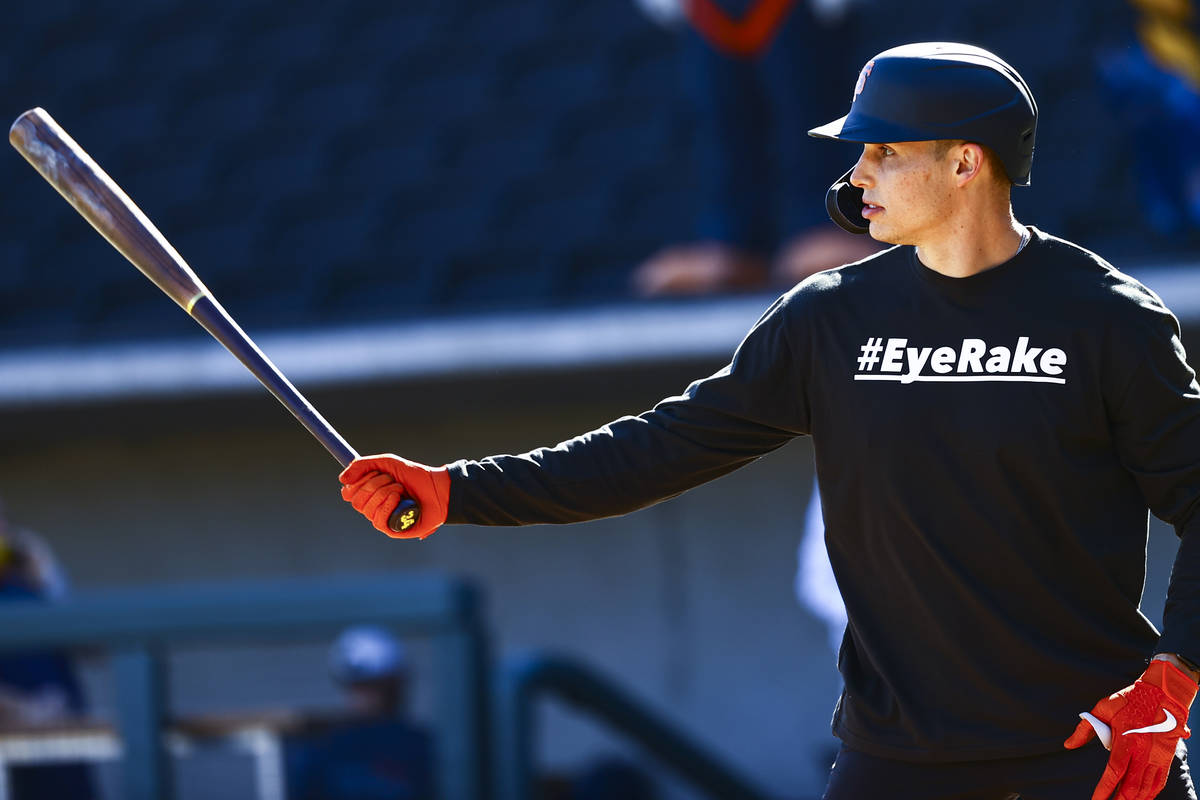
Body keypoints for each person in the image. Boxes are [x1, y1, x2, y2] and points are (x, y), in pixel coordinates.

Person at [339, 42, 1200, 800]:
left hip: (1093, 739)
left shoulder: (1108, 319)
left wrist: (1175, 677)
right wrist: (456, 491)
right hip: (902, 751)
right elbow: (658, 448)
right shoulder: (826, 319)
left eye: (884, 151)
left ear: (966, 162)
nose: (856, 173)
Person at [0, 500, 97, 800]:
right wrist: (20, 708)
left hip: (62, 750)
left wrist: (52, 580)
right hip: (13, 753)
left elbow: (92, 647)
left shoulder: (30, 584)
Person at [285, 625, 433, 800]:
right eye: (360, 687)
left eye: (377, 686)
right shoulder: (322, 751)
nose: (365, 697)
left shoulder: (423, 747)